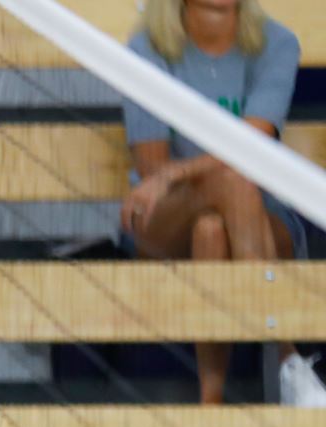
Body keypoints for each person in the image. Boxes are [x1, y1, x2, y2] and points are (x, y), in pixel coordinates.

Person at [120, 0, 326, 406]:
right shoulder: (147, 47)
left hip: (260, 217)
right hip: (166, 217)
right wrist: (176, 177)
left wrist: (178, 173)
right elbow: (151, 168)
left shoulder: (277, 44)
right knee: (232, 178)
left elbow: (254, 140)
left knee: (213, 227)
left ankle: (211, 403)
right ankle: (288, 361)